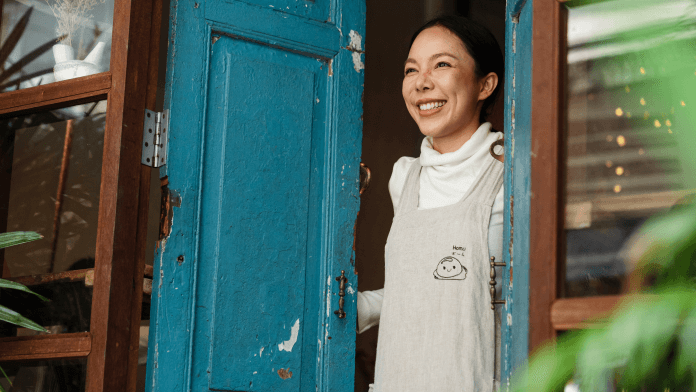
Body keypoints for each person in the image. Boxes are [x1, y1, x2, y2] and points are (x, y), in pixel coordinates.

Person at [357, 15, 505, 392]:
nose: (422, 83)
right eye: (411, 70)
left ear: (485, 84)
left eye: (441, 64)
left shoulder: (511, 174)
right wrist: (354, 308)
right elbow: (427, 288)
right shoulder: (405, 177)